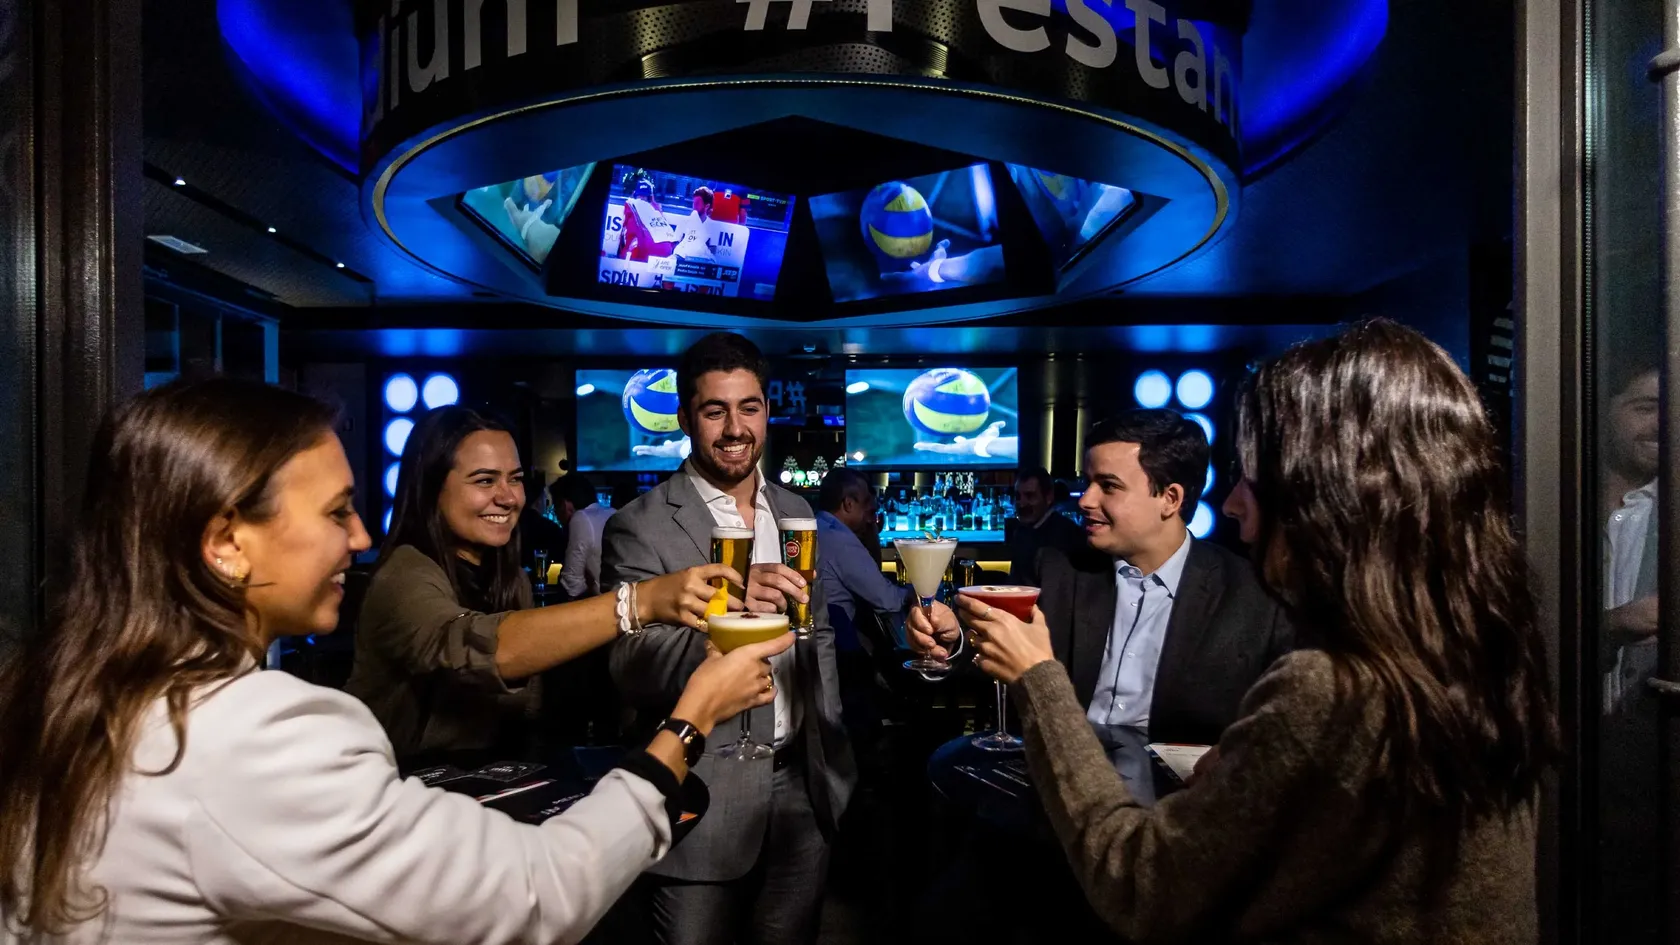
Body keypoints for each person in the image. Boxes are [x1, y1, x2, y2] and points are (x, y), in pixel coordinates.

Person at [0, 378, 790, 945]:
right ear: (226, 543)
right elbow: (538, 890)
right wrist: (689, 712)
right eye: (336, 511)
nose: (358, 537)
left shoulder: (81, 690)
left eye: (516, 480)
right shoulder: (252, 733)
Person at [961, 320, 1558, 943]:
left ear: (1329, 495)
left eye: (1254, 476)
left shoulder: (1330, 686)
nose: (1233, 504)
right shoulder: (1479, 654)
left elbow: (1143, 885)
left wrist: (1039, 679)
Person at [603, 334, 904, 945]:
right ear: (685, 417)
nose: (735, 428)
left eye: (749, 408)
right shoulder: (640, 525)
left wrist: (833, 752)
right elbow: (630, 664)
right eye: (714, 411)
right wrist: (729, 612)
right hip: (702, 790)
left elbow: (817, 634)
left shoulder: (796, 512)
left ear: (767, 411)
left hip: (802, 785)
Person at [345, 406, 731, 758]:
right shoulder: (404, 573)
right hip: (401, 792)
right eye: (484, 480)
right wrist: (637, 602)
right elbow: (473, 649)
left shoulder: (508, 578)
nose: (508, 497)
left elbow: (526, 705)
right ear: (431, 489)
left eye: (514, 479)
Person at [936, 411, 1293, 747]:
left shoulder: (1251, 594)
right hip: (1056, 771)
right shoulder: (1058, 569)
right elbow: (1000, 648)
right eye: (1088, 483)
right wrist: (953, 641)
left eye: (1108, 486)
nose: (1085, 500)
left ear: (1170, 499)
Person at [814, 467, 912, 628]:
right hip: (838, 638)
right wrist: (918, 594)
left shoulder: (819, 526)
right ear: (848, 504)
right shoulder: (840, 539)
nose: (870, 517)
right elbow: (887, 599)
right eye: (867, 504)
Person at [1005, 466, 1085, 585]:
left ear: (1048, 497)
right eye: (1018, 496)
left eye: (1030, 496)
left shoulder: (1066, 535)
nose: (1021, 504)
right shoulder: (1021, 532)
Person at [556, 472, 615, 599]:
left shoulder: (581, 518)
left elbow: (572, 583)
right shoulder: (613, 512)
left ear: (565, 505)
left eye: (556, 507)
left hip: (602, 604)